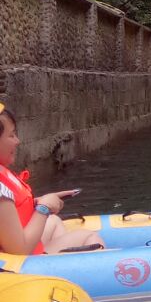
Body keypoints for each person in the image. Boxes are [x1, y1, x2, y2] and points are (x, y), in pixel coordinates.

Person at [0, 103, 102, 253]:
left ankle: (56, 264)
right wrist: (43, 209)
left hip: (19, 247)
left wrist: (35, 203)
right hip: (18, 262)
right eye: (11, 135)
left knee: (53, 222)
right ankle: (57, 267)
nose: (17, 141)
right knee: (90, 238)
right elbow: (19, 250)